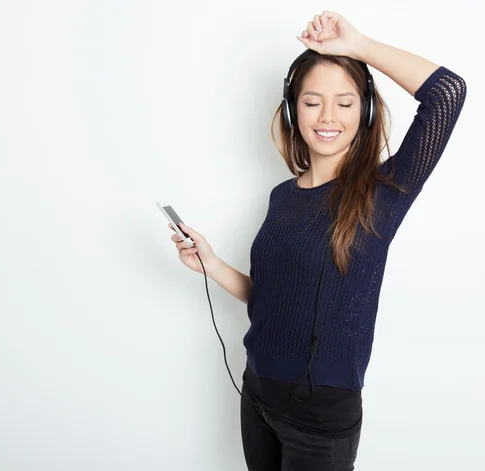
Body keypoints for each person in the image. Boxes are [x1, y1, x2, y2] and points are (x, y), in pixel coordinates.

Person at [167, 10, 467, 471]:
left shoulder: (382, 193)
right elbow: (274, 302)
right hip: (258, 395)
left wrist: (359, 46)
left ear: (364, 112)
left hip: (321, 416)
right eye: (312, 102)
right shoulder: (281, 197)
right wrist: (212, 265)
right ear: (292, 111)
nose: (328, 117)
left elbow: (448, 94)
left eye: (345, 103)